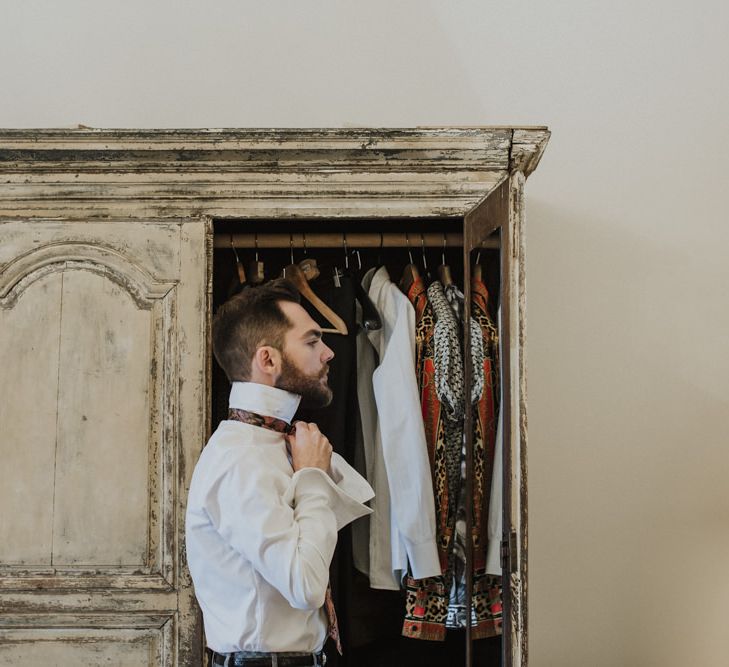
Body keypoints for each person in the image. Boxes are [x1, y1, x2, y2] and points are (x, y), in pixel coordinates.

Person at [186, 279, 374, 667]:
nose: (328, 353)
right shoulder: (240, 458)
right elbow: (305, 586)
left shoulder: (278, 442)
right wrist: (313, 479)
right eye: (311, 342)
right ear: (268, 360)